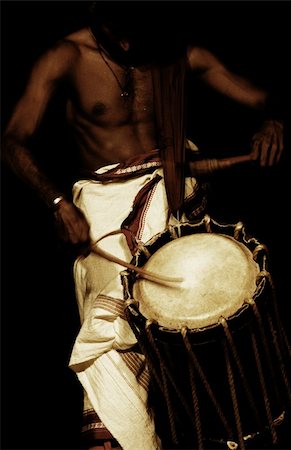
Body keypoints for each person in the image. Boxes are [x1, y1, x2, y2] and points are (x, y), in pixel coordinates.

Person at [2, 3, 286, 450]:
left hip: (172, 190)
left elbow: (264, 96)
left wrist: (273, 120)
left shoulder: (176, 53)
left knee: (194, 296)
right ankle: (121, 435)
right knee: (109, 313)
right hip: (102, 196)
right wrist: (57, 203)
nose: (132, 40)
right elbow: (12, 140)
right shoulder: (67, 56)